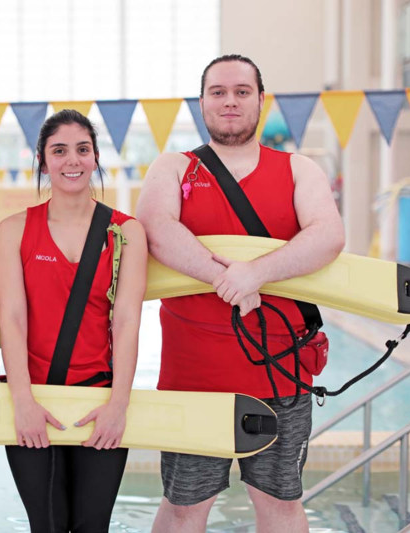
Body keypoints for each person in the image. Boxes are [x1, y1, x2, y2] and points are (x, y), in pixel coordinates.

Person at [136, 54, 345, 533]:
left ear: (261, 101)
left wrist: (256, 273)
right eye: (219, 92)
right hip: (194, 377)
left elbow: (329, 235)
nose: (230, 101)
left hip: (281, 372)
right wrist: (227, 279)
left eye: (241, 92)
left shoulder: (298, 169)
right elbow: (155, 228)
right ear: (202, 102)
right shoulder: (173, 167)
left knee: (280, 505)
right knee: (183, 508)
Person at [0, 109, 148, 531]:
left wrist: (118, 405)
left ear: (95, 158)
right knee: (46, 525)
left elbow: (127, 321)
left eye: (82, 149)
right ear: (43, 162)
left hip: (98, 400)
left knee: (93, 526)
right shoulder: (14, 231)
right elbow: (12, 319)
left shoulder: (126, 232)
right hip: (34, 400)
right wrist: (23, 402)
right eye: (59, 151)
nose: (72, 160)